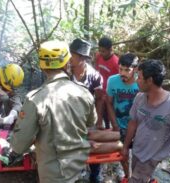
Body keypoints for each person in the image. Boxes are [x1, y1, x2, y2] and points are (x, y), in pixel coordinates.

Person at [9, 40, 121, 183]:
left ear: (42, 66)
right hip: (78, 168)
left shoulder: (35, 100)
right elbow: (90, 122)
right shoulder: (84, 93)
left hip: (53, 175)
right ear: (66, 62)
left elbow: (19, 145)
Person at [122, 59, 170, 183]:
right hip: (138, 149)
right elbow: (133, 122)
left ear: (149, 81)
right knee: (137, 173)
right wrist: (125, 147)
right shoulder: (140, 98)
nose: (136, 80)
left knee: (136, 179)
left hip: (153, 156)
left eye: (139, 77)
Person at [69, 38, 104, 183]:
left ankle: (95, 174)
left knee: (93, 143)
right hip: (69, 115)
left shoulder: (94, 76)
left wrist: (99, 120)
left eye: (73, 55)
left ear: (82, 58)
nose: (70, 58)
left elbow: (100, 99)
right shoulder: (65, 73)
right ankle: (77, 170)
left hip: (89, 116)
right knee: (73, 144)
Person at [106, 53, 140, 181]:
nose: (122, 73)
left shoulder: (141, 84)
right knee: (123, 155)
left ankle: (137, 177)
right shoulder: (112, 81)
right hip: (119, 125)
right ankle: (127, 176)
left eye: (127, 70)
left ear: (135, 69)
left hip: (137, 127)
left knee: (138, 156)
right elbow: (108, 102)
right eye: (120, 69)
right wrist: (114, 124)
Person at [95, 37, 119, 129]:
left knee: (109, 114)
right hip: (100, 89)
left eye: (104, 51)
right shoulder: (98, 56)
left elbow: (119, 80)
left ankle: (111, 130)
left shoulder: (116, 62)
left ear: (110, 49)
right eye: (100, 50)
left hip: (110, 92)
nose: (101, 53)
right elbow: (97, 70)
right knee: (100, 112)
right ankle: (100, 126)